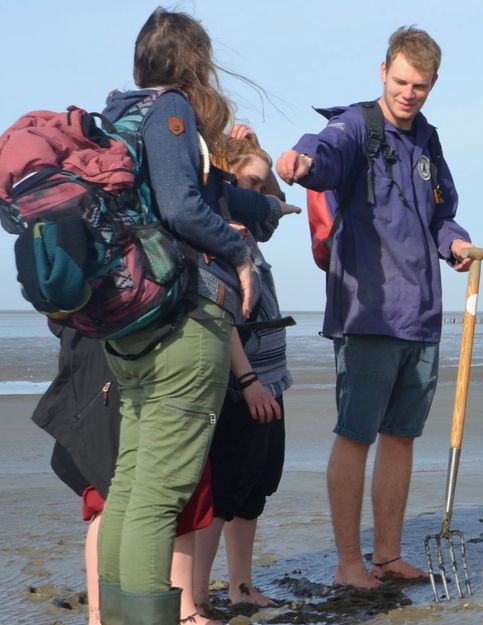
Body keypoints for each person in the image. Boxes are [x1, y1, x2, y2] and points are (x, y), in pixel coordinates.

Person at [96, 8, 296, 623]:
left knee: (132, 482)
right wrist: (236, 251)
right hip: (183, 318)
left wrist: (264, 209)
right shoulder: (173, 112)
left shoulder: (121, 114)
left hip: (129, 318)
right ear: (195, 64)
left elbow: (203, 194)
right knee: (160, 494)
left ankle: (123, 614)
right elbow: (185, 207)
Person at [276, 25, 474, 589]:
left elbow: (440, 214)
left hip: (422, 313)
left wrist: (454, 243)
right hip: (368, 311)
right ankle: (348, 564)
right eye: (403, 81)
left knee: (402, 435)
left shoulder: (428, 142)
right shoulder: (355, 126)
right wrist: (300, 162)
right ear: (383, 69)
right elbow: (324, 150)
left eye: (423, 86)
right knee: (356, 433)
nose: (410, 93)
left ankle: (387, 555)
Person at [31, 329, 220, 625]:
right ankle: (162, 614)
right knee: (122, 494)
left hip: (111, 349)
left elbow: (57, 314)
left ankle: (133, 612)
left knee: (127, 493)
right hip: (128, 354)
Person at [193, 129, 294, 610]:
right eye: (247, 185)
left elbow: (280, 206)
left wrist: (265, 168)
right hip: (241, 383)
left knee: (256, 488)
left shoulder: (249, 226)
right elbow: (220, 315)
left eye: (260, 185)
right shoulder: (215, 231)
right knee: (224, 491)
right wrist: (248, 381)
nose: (256, 195)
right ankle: (194, 596)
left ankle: (241, 588)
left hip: (269, 379)